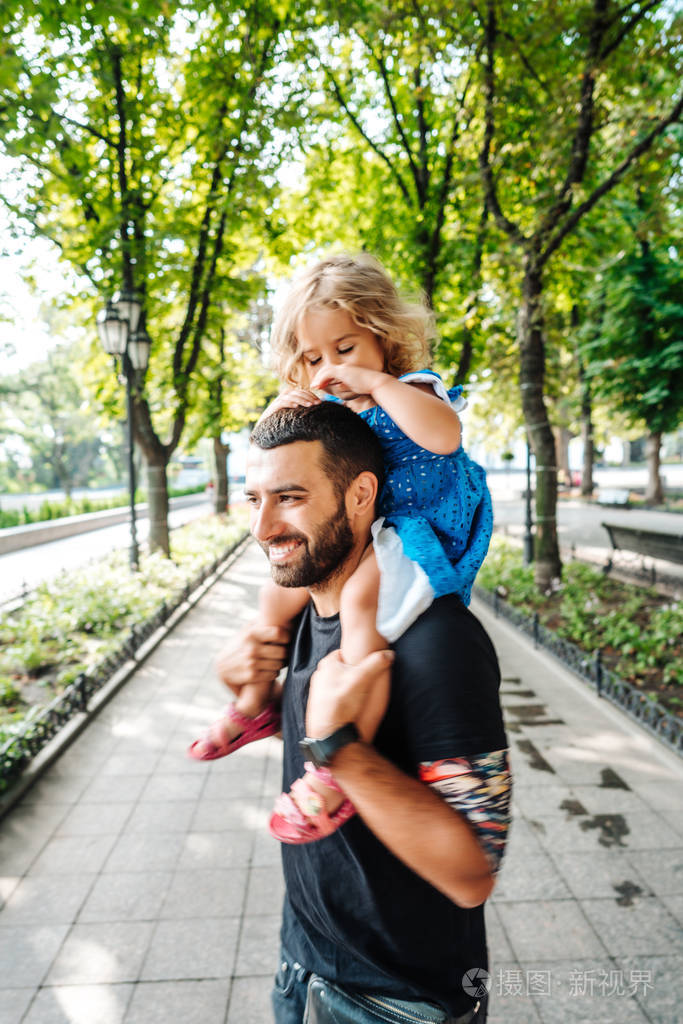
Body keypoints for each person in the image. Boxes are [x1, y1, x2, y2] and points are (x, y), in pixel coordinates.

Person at [216, 401, 510, 1023]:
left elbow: (472, 872)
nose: (264, 526)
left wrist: (342, 752)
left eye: (290, 497)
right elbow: (307, 721)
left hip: (397, 1001)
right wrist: (250, 689)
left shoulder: (438, 642)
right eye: (253, 499)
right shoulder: (306, 611)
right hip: (302, 962)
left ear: (360, 495)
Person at [189, 254, 493, 845]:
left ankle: (332, 772)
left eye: (344, 350)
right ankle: (255, 702)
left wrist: (377, 384)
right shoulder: (332, 408)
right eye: (312, 358)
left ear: (382, 337)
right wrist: (284, 403)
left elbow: (444, 436)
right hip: (373, 528)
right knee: (273, 600)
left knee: (358, 608)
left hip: (414, 529)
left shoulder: (409, 389)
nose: (329, 368)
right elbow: (279, 449)